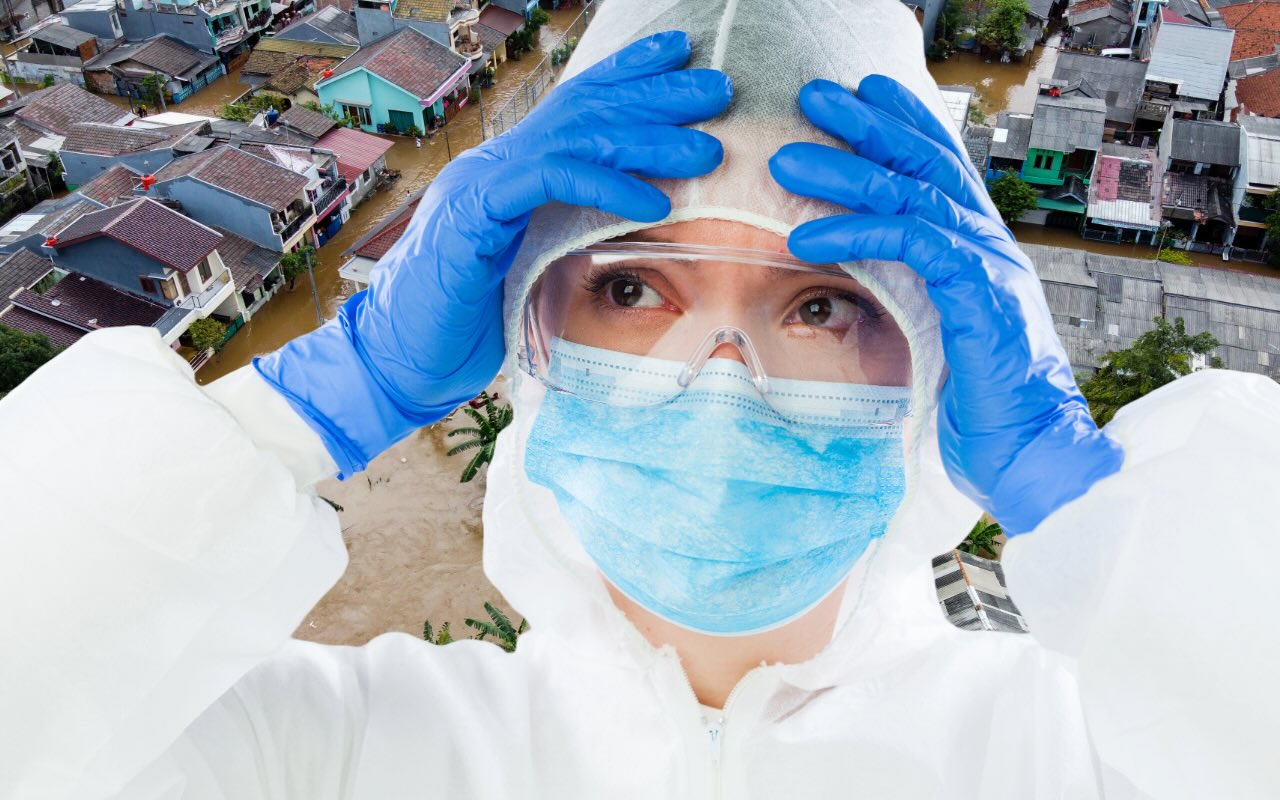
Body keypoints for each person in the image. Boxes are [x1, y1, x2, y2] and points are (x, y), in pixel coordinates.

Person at [2, 1, 1277, 798]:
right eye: (631, 290)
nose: (716, 374)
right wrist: (312, 399)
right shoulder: (327, 753)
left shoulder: (1080, 757)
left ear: (930, 358)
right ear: (523, 325)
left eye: (818, 302)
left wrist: (1071, 481)